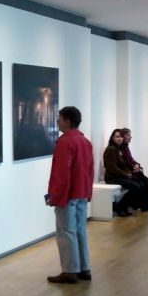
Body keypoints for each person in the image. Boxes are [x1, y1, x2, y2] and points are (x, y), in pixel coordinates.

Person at [45, 106, 94, 284]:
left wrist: (55, 196)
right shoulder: (85, 142)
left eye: (60, 118)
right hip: (81, 193)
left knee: (66, 232)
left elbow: (62, 174)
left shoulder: (65, 142)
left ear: (67, 121)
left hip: (68, 195)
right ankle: (84, 268)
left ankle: (70, 271)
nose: (57, 120)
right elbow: (90, 170)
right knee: (80, 230)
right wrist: (88, 192)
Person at [102, 129, 147, 216]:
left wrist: (130, 172)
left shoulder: (118, 149)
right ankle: (120, 206)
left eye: (121, 137)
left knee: (140, 184)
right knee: (136, 186)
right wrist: (126, 175)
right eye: (117, 137)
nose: (120, 139)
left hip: (118, 176)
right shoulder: (111, 149)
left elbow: (124, 164)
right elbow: (112, 168)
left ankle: (123, 206)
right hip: (112, 178)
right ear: (112, 138)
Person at [120, 127, 148, 211]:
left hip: (132, 171)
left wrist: (137, 165)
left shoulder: (126, 147)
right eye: (128, 135)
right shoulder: (120, 148)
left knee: (144, 179)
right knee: (142, 183)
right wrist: (133, 169)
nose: (130, 137)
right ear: (123, 136)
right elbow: (125, 163)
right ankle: (142, 204)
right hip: (127, 173)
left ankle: (144, 204)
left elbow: (131, 159)